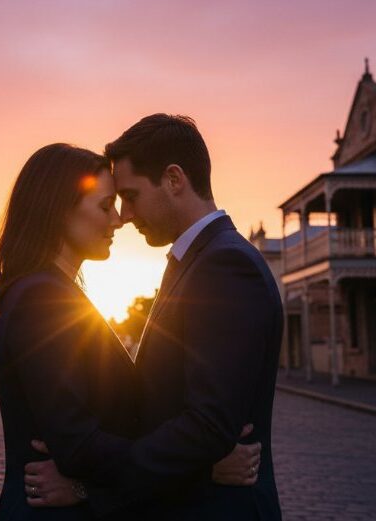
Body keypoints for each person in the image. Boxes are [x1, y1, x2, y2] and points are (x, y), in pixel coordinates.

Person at [26, 115, 284, 519]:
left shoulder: (225, 264)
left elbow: (208, 426)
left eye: (130, 195)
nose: (124, 215)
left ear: (174, 180)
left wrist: (91, 487)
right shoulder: (194, 260)